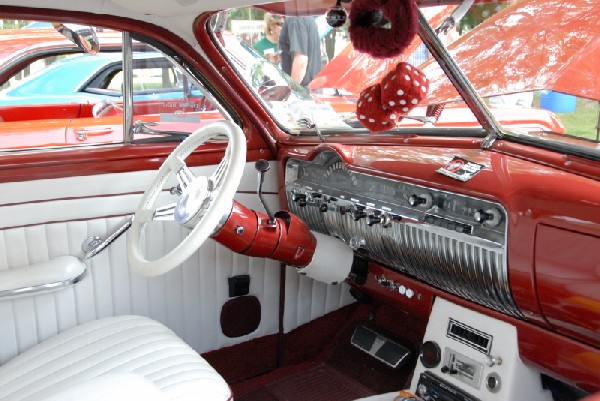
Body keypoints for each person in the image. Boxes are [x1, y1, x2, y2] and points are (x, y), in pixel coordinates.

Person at [279, 16, 322, 87]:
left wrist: (290, 90)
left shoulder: (295, 18)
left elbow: (301, 61)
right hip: (312, 87)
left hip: (302, 90)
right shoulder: (306, 17)